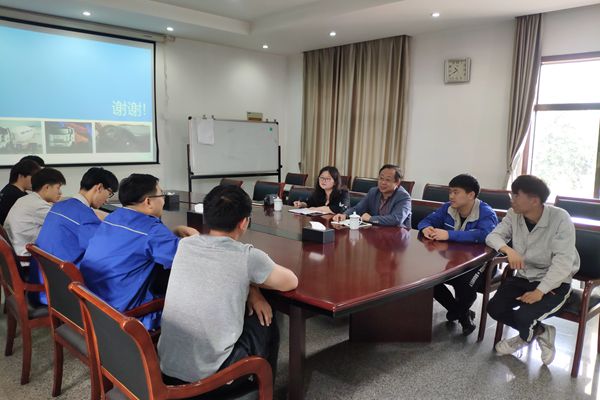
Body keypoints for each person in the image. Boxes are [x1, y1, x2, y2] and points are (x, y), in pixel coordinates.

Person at [158, 185, 298, 388]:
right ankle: (262, 388)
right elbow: (290, 281)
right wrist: (253, 285)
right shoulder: (247, 257)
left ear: (206, 216)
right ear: (244, 222)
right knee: (265, 318)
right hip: (210, 379)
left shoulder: (185, 245)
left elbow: (184, 232)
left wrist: (252, 289)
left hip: (166, 368)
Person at [80, 174, 199, 330]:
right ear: (148, 201)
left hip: (94, 304)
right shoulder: (152, 230)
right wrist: (196, 240)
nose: (163, 200)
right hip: (125, 316)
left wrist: (172, 233)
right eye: (161, 195)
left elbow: (140, 241)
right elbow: (187, 261)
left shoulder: (113, 217)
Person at [486, 175, 579, 365]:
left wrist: (540, 291)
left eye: (516, 195)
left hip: (554, 281)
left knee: (524, 315)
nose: (511, 200)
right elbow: (493, 236)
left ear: (534, 200)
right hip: (524, 275)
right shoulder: (514, 214)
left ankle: (524, 337)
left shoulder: (560, 218)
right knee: (494, 308)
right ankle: (542, 331)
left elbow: (563, 263)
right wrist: (508, 250)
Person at [417, 174, 498, 335]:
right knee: (428, 280)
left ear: (471, 195)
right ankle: (462, 314)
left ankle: (459, 312)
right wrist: (425, 228)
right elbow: (426, 221)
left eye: (456, 192)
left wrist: (449, 235)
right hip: (454, 260)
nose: (451, 196)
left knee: (465, 283)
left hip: (481, 262)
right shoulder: (447, 208)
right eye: (450, 192)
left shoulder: (486, 213)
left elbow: (484, 235)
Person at [32, 168, 120, 303]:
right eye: (109, 193)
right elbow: (103, 251)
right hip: (63, 292)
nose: (107, 201)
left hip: (43, 280)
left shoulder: (59, 206)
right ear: (99, 187)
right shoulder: (84, 217)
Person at [4, 167, 65, 256]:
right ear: (47, 187)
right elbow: (64, 225)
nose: (60, 192)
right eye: (58, 188)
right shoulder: (39, 206)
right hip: (26, 257)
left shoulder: (26, 199)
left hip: (16, 251)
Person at [332, 164, 411, 227]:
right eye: (381, 178)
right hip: (377, 232)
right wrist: (345, 215)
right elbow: (359, 208)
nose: (383, 182)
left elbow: (396, 219)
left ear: (397, 182)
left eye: (388, 180)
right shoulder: (374, 192)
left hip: (397, 235)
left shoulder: (403, 196)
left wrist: (371, 219)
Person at [0, 158, 41, 224]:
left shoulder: (8, 189)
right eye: (34, 177)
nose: (36, 181)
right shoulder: (16, 196)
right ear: (21, 176)